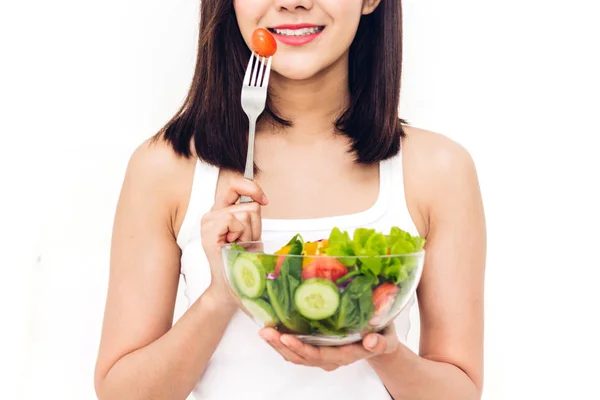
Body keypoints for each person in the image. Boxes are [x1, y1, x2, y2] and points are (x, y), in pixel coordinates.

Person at [94, 0, 486, 399]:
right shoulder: (165, 167)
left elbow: (460, 391)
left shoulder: (439, 169)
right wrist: (222, 294)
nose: (292, 2)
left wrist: (382, 350)